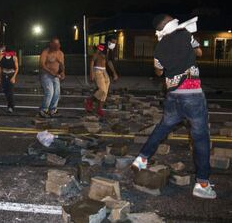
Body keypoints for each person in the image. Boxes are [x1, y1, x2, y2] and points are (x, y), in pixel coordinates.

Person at [132, 14, 216, 199]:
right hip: (192, 94)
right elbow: (199, 53)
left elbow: (159, 71)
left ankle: (141, 159)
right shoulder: (186, 34)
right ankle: (202, 183)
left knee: (163, 127)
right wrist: (187, 49)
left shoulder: (159, 47)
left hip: (173, 96)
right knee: (200, 138)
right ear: (172, 24)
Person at [87, 34, 119, 117]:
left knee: (105, 92)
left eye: (115, 43)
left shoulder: (110, 50)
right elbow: (92, 60)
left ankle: (99, 109)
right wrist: (91, 73)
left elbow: (109, 62)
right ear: (108, 41)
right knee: (102, 90)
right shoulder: (101, 47)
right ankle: (89, 101)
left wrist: (114, 73)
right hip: (97, 70)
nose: (114, 44)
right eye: (112, 42)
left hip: (104, 71)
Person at [39, 37, 65, 118]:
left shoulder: (60, 53)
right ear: (51, 44)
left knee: (57, 93)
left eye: (59, 44)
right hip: (46, 75)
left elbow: (62, 65)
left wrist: (63, 72)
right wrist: (51, 72)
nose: (58, 46)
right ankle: (43, 110)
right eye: (56, 44)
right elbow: (41, 65)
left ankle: (53, 110)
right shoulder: (45, 52)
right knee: (50, 92)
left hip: (56, 75)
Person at [0, 48, 19, 113]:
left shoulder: (14, 57)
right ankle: (9, 104)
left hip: (11, 75)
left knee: (10, 91)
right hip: (4, 75)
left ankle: (11, 106)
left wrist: (14, 77)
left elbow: (17, 68)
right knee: (5, 91)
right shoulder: (2, 56)